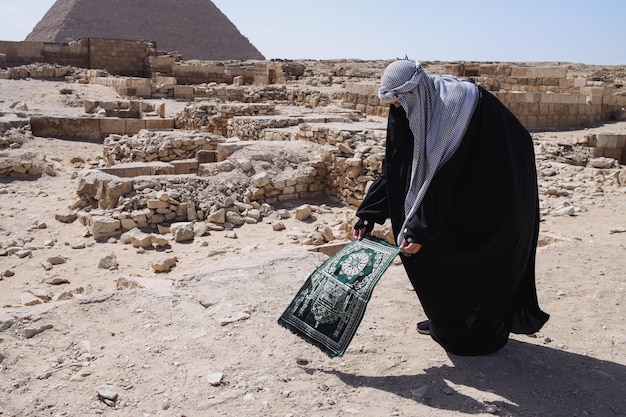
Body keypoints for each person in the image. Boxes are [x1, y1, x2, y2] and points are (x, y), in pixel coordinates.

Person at [353, 58, 549, 356]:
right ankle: (447, 321)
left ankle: (481, 335)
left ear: (412, 94)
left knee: (472, 253)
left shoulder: (451, 112)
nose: (394, 109)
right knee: (431, 248)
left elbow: (445, 175)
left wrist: (420, 229)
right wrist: (369, 213)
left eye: (397, 102)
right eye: (390, 103)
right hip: (459, 187)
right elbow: (397, 165)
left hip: (496, 186)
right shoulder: (414, 107)